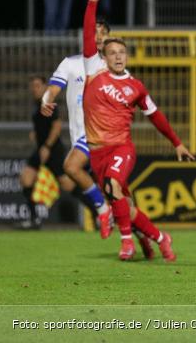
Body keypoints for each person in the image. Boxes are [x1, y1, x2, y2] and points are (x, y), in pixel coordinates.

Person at [82, 0, 195, 261]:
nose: (118, 57)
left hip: (122, 148)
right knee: (123, 205)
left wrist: (176, 143)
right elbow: (87, 36)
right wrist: (92, 3)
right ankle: (159, 237)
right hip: (97, 151)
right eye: (112, 53)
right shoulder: (93, 71)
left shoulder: (136, 87)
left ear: (127, 57)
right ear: (104, 58)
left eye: (122, 53)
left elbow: (155, 116)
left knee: (111, 186)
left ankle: (126, 243)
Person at [40, 18, 116, 240]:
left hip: (102, 134)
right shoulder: (71, 64)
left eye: (103, 33)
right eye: (95, 32)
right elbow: (52, 89)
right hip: (81, 137)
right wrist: (46, 100)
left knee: (72, 168)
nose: (99, 37)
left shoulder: (111, 66)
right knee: (110, 191)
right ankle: (119, 221)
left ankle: (104, 211)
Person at [18, 76, 76, 229]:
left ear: (44, 87)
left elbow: (56, 126)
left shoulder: (48, 101)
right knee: (26, 179)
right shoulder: (36, 105)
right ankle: (34, 219)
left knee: (67, 184)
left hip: (52, 150)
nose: (34, 89)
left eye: (37, 85)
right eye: (32, 86)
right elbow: (44, 125)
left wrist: (47, 147)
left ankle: (96, 210)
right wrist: (36, 134)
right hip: (41, 149)